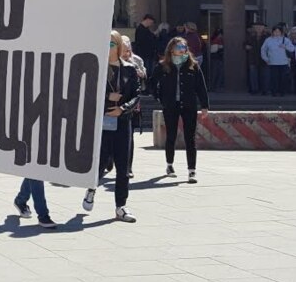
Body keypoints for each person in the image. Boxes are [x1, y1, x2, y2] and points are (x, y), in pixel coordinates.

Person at [83, 31, 139, 223]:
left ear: (118, 46)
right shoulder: (97, 68)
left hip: (122, 122)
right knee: (100, 163)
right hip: (103, 122)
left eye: (111, 44)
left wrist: (122, 108)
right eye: (105, 44)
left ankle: (120, 206)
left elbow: (136, 95)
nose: (108, 48)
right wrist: (108, 98)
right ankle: (91, 189)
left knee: (123, 167)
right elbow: (88, 92)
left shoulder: (130, 69)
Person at [150, 37, 210, 183]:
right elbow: (152, 83)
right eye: (178, 47)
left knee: (190, 138)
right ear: (171, 49)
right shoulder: (163, 65)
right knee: (171, 135)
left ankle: (192, 170)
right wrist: (159, 98)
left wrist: (204, 105)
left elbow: (201, 86)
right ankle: (169, 165)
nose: (181, 49)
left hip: (188, 105)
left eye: (183, 47)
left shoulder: (193, 65)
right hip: (170, 105)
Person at [121, 35, 147, 179]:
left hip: (131, 104)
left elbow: (144, 79)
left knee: (129, 136)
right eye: (123, 48)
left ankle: (128, 167)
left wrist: (139, 73)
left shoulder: (136, 60)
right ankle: (109, 159)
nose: (126, 52)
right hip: (113, 104)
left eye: (128, 48)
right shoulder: (111, 60)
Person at [261, 26, 290, 97]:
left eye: (278, 31)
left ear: (281, 32)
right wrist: (266, 59)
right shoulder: (268, 40)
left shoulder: (285, 40)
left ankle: (282, 92)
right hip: (272, 62)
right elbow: (263, 50)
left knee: (282, 78)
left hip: (283, 62)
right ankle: (274, 92)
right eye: (275, 31)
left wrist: (285, 47)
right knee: (274, 78)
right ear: (272, 32)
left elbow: (292, 48)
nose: (277, 33)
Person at [246, 23, 268, 95]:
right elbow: (244, 44)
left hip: (264, 59)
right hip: (253, 58)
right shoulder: (250, 36)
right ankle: (254, 89)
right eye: (257, 27)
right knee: (253, 75)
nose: (258, 29)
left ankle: (264, 90)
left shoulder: (267, 37)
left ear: (263, 28)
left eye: (260, 27)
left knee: (264, 75)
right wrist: (246, 46)